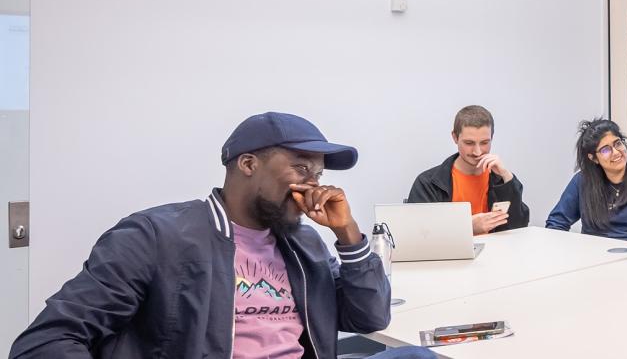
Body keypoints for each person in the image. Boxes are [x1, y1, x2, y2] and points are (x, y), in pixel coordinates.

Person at [9, 112, 433, 358]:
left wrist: (348, 235)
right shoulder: (156, 235)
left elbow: (370, 318)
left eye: (318, 174)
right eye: (301, 169)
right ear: (248, 164)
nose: (314, 186)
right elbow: (45, 342)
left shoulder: (302, 242)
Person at [546, 119, 627, 243]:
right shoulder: (582, 181)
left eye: (618, 143)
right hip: (594, 256)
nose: (616, 152)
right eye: (606, 150)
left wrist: (623, 246)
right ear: (593, 158)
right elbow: (556, 223)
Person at [406, 105, 529, 234]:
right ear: (455, 137)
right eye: (469, 143)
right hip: (450, 254)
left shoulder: (501, 179)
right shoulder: (428, 183)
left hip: (497, 252)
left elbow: (519, 227)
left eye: (484, 143)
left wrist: (507, 177)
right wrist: (467, 227)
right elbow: (418, 233)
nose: (477, 151)